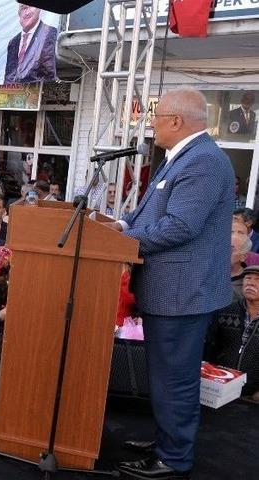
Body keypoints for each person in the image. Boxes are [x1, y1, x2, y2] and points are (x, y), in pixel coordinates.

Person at [107, 88, 235, 479]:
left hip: (182, 293)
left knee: (175, 378)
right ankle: (168, 440)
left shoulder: (204, 161)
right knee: (165, 376)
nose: (152, 125)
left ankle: (174, 458)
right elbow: (151, 212)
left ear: (176, 121)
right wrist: (121, 225)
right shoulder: (180, 157)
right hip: (171, 290)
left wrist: (122, 241)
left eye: (156, 117)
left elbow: (180, 226)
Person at [206, 265, 259, 402]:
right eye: (248, 278)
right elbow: (210, 346)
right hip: (219, 389)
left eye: (258, 279)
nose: (251, 283)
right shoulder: (225, 311)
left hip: (253, 398)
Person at [4, 3, 57, 84]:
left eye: (30, 6)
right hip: (17, 90)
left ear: (39, 9)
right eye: (23, 8)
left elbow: (48, 72)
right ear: (19, 13)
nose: (27, 12)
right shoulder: (13, 42)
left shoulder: (50, 33)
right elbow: (9, 76)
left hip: (38, 88)